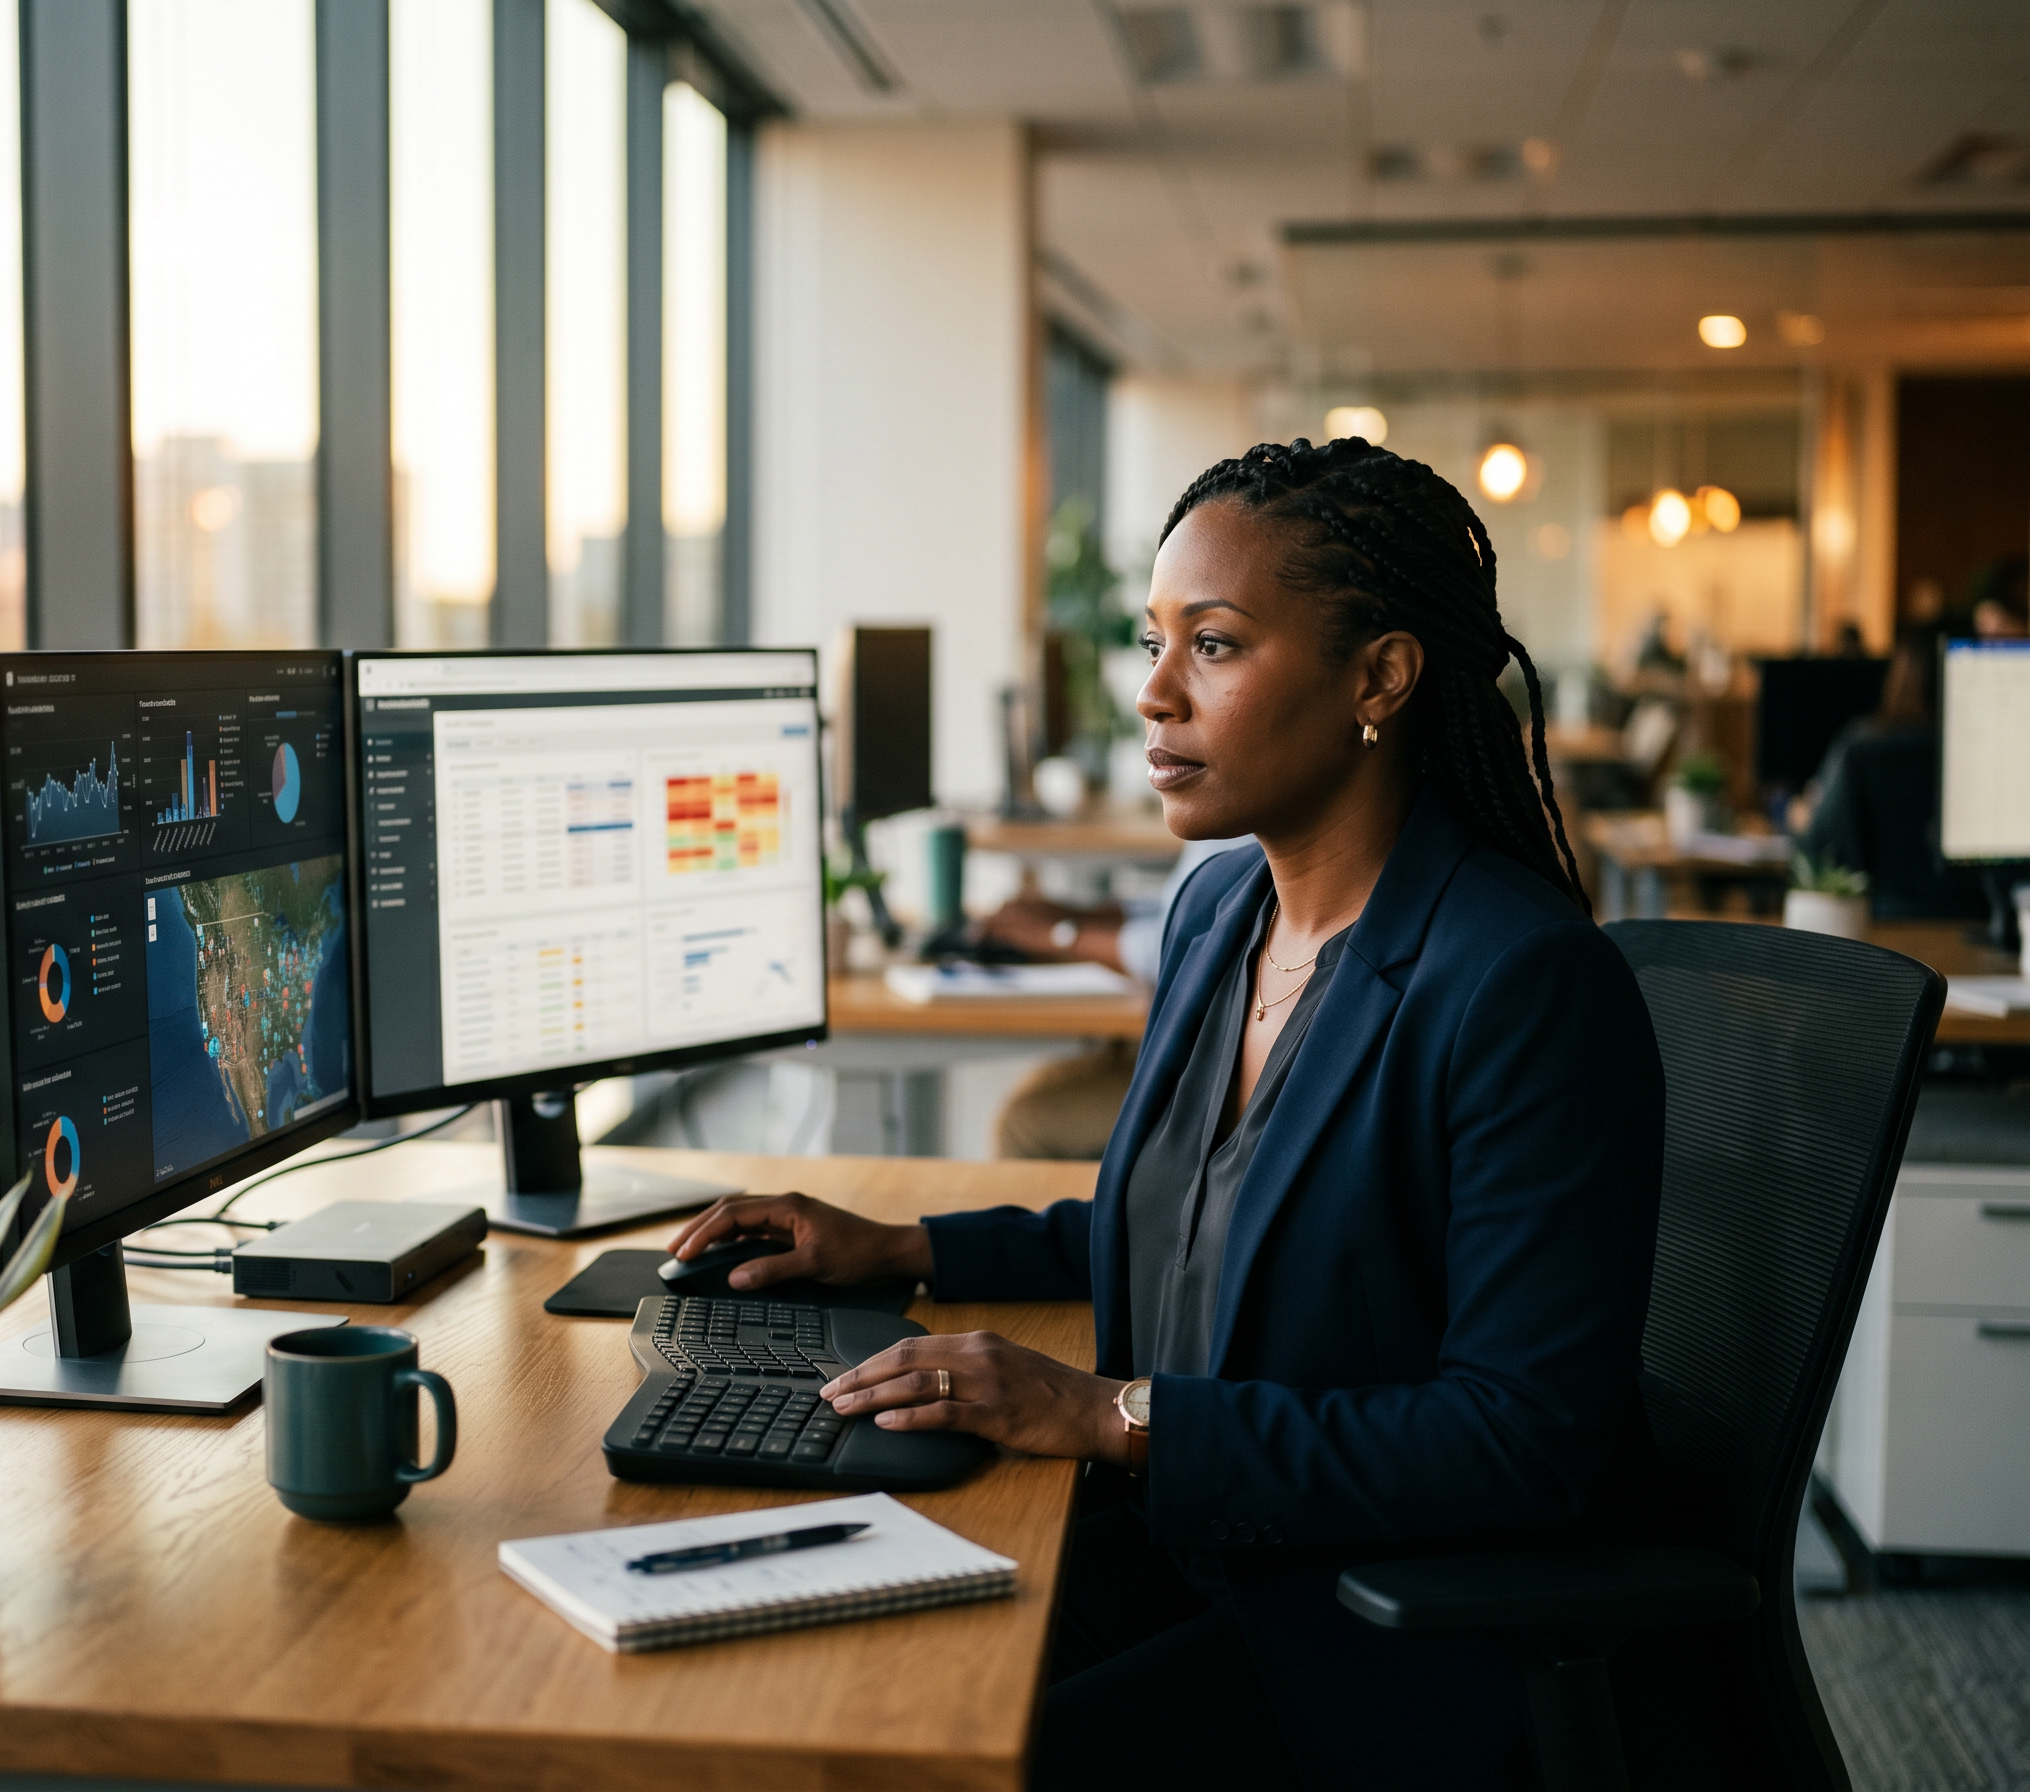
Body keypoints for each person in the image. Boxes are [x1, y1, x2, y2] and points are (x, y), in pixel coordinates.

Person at [668, 438, 1666, 1789]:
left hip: (1342, 1637)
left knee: (883, 1749)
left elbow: (1518, 1440)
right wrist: (905, 1250)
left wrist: (1114, 1418)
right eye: (1156, 642)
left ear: (1379, 677)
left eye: (1214, 645)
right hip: (1165, 1557)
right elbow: (1189, 1226)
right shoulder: (1219, 914)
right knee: (759, 1669)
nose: (1152, 694)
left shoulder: (1519, 980)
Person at [980, 838, 1247, 1159]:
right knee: (1041, 1080)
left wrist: (1064, 935)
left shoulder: (1248, 822)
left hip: (1220, 1075)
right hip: (1190, 1049)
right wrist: (1076, 914)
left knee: (1021, 1124)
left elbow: (1181, 951)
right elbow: (1179, 909)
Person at [1799, 627, 1984, 918]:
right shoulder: (1987, 749)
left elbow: (1819, 847)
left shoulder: (1861, 747)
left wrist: (1801, 816)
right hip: (1979, 917)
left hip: (1886, 924)